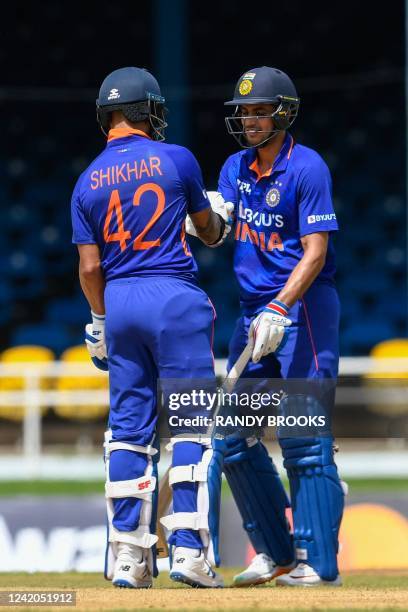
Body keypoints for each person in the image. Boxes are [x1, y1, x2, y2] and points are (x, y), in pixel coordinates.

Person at [71, 66, 233, 589]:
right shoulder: (176, 159)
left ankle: (129, 558)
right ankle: (187, 550)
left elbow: (90, 269)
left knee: (128, 431)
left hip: (119, 304)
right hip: (173, 296)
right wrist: (212, 218)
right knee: (190, 424)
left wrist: (98, 321)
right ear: (146, 111)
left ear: (106, 115)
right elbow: (209, 233)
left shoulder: (86, 180)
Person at [188, 66, 345, 587]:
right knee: (231, 436)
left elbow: (316, 253)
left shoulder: (308, 168)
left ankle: (317, 564)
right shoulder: (234, 165)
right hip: (253, 313)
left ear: (284, 113)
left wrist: (280, 306)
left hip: (303, 310)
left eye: (260, 111)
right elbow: (218, 234)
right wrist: (203, 217)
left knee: (302, 438)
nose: (250, 119)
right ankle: (275, 554)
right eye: (244, 111)